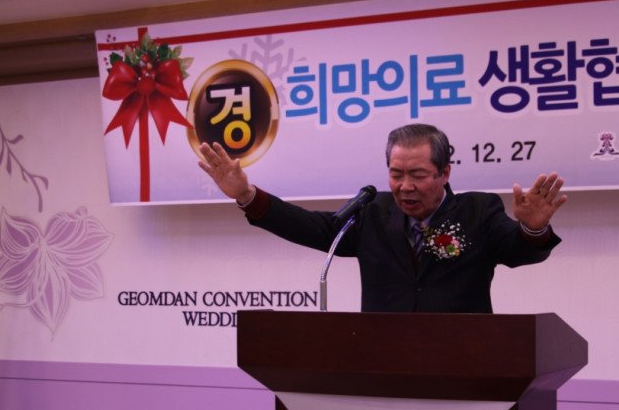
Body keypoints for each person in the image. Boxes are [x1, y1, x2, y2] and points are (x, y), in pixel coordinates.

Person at [197, 123, 567, 313]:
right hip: (383, 367)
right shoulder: (372, 212)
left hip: (463, 368)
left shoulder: (478, 211)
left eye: (418, 175)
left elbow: (518, 251)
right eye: (396, 174)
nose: (405, 186)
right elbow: (315, 228)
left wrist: (532, 227)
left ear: (445, 173)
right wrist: (247, 195)